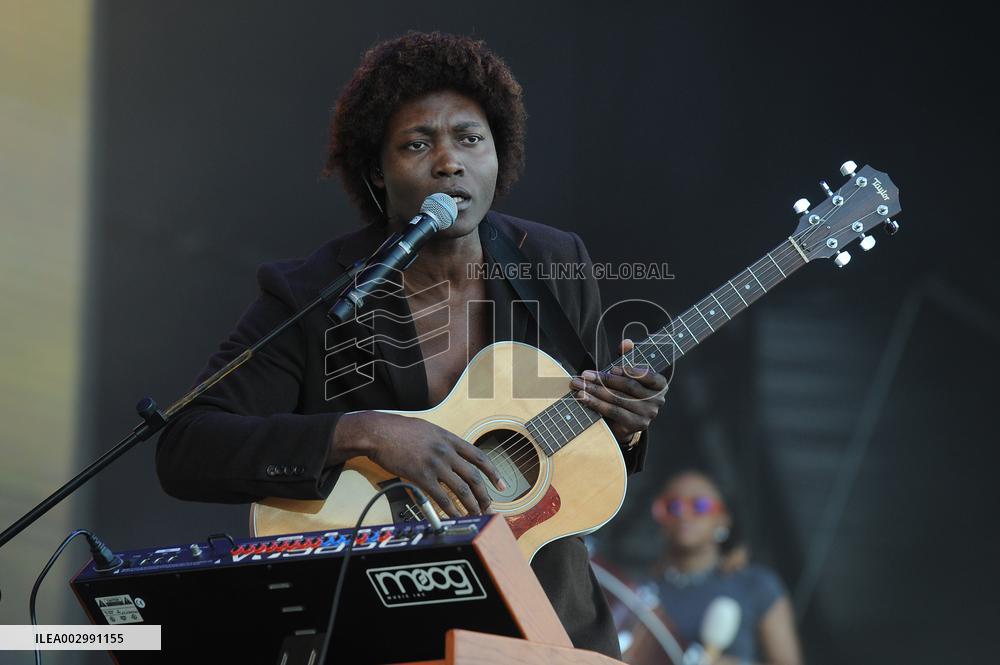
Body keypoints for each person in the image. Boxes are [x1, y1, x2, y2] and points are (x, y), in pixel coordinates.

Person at [155, 31, 669, 658]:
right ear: (377, 170)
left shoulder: (555, 263)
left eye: (470, 139)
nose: (449, 162)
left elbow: (588, 438)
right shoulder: (314, 292)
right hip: (384, 632)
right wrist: (365, 433)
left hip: (548, 627)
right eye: (418, 144)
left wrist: (628, 422)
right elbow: (186, 447)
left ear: (498, 155)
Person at [627, 470, 802, 665]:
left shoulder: (756, 584)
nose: (684, 514)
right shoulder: (640, 588)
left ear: (723, 519)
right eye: (672, 507)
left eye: (699, 506)